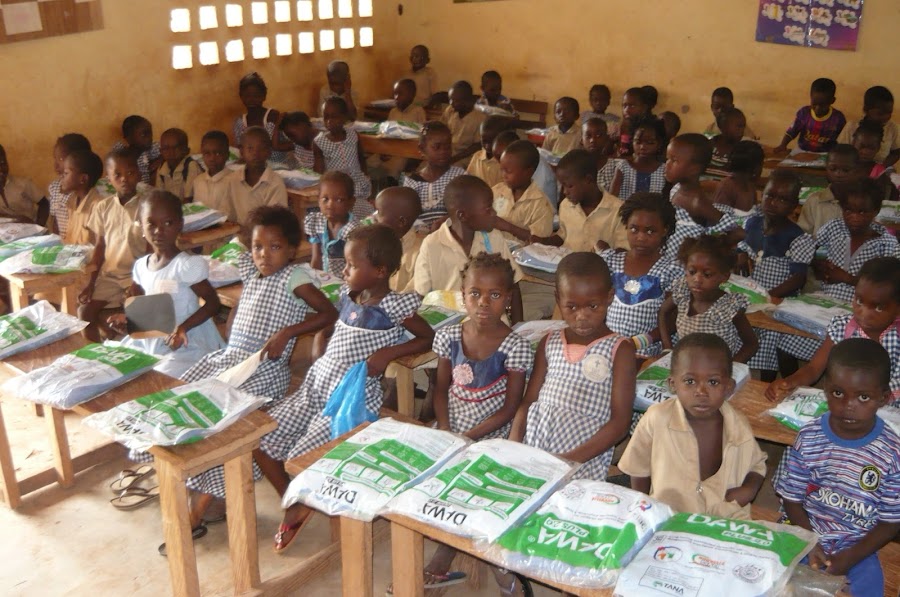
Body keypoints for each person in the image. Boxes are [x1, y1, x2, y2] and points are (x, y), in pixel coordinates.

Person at [166, 206, 338, 551]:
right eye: (258, 247)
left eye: (275, 247)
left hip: (263, 370)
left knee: (233, 427)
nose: (264, 255)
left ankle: (201, 512)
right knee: (187, 401)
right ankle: (202, 489)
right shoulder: (251, 270)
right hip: (232, 361)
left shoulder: (294, 278)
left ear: (291, 249)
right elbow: (242, 300)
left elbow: (328, 312)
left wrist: (287, 332)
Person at [258, 225, 434, 553]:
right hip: (316, 385)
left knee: (301, 458)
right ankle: (296, 499)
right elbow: (332, 327)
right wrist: (319, 342)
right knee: (261, 438)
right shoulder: (348, 295)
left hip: (348, 399)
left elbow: (427, 337)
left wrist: (387, 353)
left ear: (380, 271)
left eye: (352, 265)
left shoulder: (392, 306)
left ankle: (300, 502)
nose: (344, 271)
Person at [412, 252, 532, 592]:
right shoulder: (449, 336)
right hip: (451, 427)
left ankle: (461, 557)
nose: (483, 303)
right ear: (462, 294)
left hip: (493, 435)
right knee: (429, 481)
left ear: (508, 298)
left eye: (494, 295)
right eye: (475, 293)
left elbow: (510, 409)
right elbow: (440, 389)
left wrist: (468, 437)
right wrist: (447, 430)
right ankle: (449, 546)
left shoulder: (516, 347)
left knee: (475, 487)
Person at [774, 338, 900, 597]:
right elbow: (791, 499)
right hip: (803, 529)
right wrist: (810, 543)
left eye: (863, 397)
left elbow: (890, 522)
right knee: (766, 579)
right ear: (825, 389)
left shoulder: (891, 454)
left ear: (884, 398)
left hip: (858, 544)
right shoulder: (809, 437)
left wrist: (849, 557)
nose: (848, 405)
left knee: (868, 590)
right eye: (838, 393)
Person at [509, 252, 636, 481]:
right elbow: (528, 402)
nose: (582, 316)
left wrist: (568, 460)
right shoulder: (549, 342)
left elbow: (620, 424)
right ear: (558, 299)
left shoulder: (620, 349)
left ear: (609, 296)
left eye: (593, 306)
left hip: (581, 458)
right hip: (535, 448)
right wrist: (514, 444)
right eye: (571, 307)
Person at [619, 333, 766, 519]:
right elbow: (638, 469)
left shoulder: (737, 423)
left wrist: (749, 490)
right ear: (673, 384)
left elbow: (756, 464)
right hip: (671, 517)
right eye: (690, 381)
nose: (701, 392)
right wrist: (645, 511)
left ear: (729, 386)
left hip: (724, 518)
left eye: (713, 382)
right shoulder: (656, 419)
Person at [107, 191, 225, 377]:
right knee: (118, 369)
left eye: (168, 223)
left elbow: (213, 303)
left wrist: (183, 328)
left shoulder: (185, 266)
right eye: (151, 224)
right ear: (141, 227)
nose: (158, 231)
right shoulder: (141, 267)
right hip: (152, 339)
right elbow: (147, 311)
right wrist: (130, 324)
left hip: (187, 343)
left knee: (159, 376)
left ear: (180, 225)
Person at [767, 257, 900, 404]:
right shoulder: (842, 327)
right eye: (859, 301)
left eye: (878, 307)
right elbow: (814, 368)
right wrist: (789, 382)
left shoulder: (896, 338)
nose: (864, 312)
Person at [414, 175, 524, 323]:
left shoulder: (494, 238)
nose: (494, 213)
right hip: (451, 328)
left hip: (493, 325)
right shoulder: (432, 244)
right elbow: (421, 296)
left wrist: (517, 328)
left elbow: (514, 286)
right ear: (462, 215)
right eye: (488, 209)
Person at [738, 171, 815, 378]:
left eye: (783, 200)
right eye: (770, 195)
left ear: (794, 206)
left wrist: (767, 296)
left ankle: (774, 383)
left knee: (770, 349)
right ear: (761, 195)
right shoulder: (752, 223)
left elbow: (798, 279)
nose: (773, 203)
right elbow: (741, 248)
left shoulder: (797, 238)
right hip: (752, 294)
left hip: (778, 300)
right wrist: (740, 255)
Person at [79, 148, 149, 342]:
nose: (124, 179)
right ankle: (95, 352)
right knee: (84, 312)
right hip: (109, 277)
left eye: (130, 172)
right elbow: (99, 247)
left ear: (139, 174)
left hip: (135, 276)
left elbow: (151, 250)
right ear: (108, 179)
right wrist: (90, 284)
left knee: (137, 320)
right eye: (117, 175)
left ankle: (136, 350)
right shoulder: (103, 207)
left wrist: (138, 282)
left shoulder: (147, 207)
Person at [600, 193, 681, 357]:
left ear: (664, 230)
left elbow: (673, 319)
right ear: (626, 226)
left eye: (650, 231)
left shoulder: (671, 270)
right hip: (608, 346)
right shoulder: (610, 262)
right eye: (634, 229)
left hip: (647, 351)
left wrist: (638, 342)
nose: (641, 237)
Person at [659, 235, 758, 363]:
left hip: (716, 367)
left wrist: (730, 368)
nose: (697, 279)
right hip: (686, 364)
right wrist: (667, 348)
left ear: (724, 277)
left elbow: (751, 344)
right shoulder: (683, 293)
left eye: (707, 274)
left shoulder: (728, 306)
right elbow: (663, 312)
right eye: (692, 272)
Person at [813, 179, 900, 303]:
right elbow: (819, 249)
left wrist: (847, 278)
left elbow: (887, 286)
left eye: (862, 212)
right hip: (825, 301)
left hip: (861, 308)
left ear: (876, 211)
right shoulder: (833, 228)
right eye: (848, 210)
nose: (854, 217)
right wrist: (820, 264)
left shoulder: (887, 245)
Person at [532, 149, 628, 252]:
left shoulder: (619, 211)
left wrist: (607, 251)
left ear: (588, 180)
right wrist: (544, 241)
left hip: (599, 263)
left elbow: (623, 250)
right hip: (568, 261)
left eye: (569, 186)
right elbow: (563, 235)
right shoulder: (566, 205)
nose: (565, 192)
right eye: (563, 186)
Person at [663, 133, 739, 261]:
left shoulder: (697, 203)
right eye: (667, 158)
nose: (667, 165)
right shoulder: (676, 189)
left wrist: (710, 248)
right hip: (670, 259)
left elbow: (737, 232)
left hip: (687, 267)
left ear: (694, 169)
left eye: (674, 160)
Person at [314, 97, 373, 221]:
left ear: (344, 117)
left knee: (365, 210)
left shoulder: (353, 135)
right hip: (337, 186)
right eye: (326, 117)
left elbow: (361, 158)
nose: (329, 121)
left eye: (334, 116)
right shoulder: (319, 142)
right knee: (346, 209)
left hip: (357, 182)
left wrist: (366, 177)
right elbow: (319, 172)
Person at [402, 121, 466, 230]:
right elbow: (407, 214)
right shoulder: (412, 182)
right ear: (422, 149)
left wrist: (447, 220)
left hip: (453, 232)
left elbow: (469, 209)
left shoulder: (460, 177)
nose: (443, 151)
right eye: (436, 147)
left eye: (447, 147)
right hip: (421, 235)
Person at [491, 140, 554, 242]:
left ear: (528, 172)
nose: (503, 175)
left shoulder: (541, 205)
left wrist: (508, 227)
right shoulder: (496, 191)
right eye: (502, 170)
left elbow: (539, 241)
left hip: (522, 251)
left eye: (508, 171)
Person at [226, 126, 288, 227]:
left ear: (269, 152)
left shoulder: (275, 183)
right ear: (241, 152)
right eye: (250, 148)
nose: (256, 153)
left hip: (266, 234)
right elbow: (229, 217)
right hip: (239, 233)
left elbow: (276, 222)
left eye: (262, 148)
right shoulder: (232, 180)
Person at [367, 79, 427, 181]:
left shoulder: (418, 111)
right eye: (395, 94)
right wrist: (383, 151)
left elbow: (421, 137)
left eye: (400, 94)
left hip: (405, 153)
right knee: (369, 163)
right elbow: (386, 133)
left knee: (395, 167)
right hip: (389, 149)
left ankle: (391, 185)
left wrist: (412, 157)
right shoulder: (393, 112)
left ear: (412, 95)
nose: (396, 97)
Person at [306, 171, 360, 276]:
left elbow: (356, 269)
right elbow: (316, 259)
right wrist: (314, 280)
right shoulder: (316, 221)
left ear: (351, 202)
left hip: (347, 280)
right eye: (325, 199)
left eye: (339, 200)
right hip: (325, 280)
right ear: (318, 200)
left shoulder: (354, 232)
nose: (330, 205)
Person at [797, 144, 860, 235]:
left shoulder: (863, 203)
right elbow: (803, 234)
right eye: (833, 169)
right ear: (826, 168)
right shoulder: (814, 201)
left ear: (857, 171)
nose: (838, 174)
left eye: (846, 170)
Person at [774, 78, 846, 154]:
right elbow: (792, 131)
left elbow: (842, 140)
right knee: (788, 161)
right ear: (810, 97)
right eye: (814, 104)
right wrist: (783, 145)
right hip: (802, 151)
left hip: (825, 154)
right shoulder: (804, 113)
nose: (818, 108)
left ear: (832, 100)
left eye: (822, 105)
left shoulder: (838, 118)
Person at [371, 186, 423, 293]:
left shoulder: (421, 252)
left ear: (401, 222)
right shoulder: (375, 243)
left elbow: (413, 295)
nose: (373, 217)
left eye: (378, 212)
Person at [603, 118, 667, 200]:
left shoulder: (664, 170)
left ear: (659, 144)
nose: (642, 147)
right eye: (638, 142)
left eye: (650, 143)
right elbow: (611, 199)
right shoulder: (623, 167)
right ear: (631, 142)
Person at [232, 72, 289, 164]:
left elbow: (289, 142)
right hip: (253, 164)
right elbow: (240, 148)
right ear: (241, 96)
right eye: (247, 96)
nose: (251, 100)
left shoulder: (272, 116)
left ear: (264, 96)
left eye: (256, 96)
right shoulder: (239, 122)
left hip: (278, 164)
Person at [838, 85, 900, 167]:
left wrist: (881, 168)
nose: (886, 117)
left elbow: (896, 152)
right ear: (866, 110)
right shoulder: (852, 126)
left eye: (889, 112)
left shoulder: (893, 128)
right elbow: (841, 150)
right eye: (880, 114)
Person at [48, 133, 92, 236]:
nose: (56, 165)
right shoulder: (55, 187)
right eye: (55, 158)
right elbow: (55, 220)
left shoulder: (88, 191)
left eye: (61, 159)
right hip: (64, 241)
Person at [58, 149, 104, 245]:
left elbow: (99, 246)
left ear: (83, 179)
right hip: (71, 251)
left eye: (66, 173)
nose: (61, 177)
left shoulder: (98, 206)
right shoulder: (72, 200)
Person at [441, 80, 486, 167]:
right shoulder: (451, 110)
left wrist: (454, 159)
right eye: (450, 99)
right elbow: (441, 126)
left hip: (465, 157)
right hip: (447, 152)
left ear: (467, 101)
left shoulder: (479, 118)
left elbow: (477, 146)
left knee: (449, 169)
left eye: (455, 101)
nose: (451, 103)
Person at [711, 140, 765, 213]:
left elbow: (753, 213)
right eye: (761, 164)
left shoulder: (750, 186)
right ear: (755, 166)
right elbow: (719, 215)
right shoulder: (727, 186)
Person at [0, 144, 47, 223]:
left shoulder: (23, 184)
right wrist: (15, 218)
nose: (1, 169)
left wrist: (39, 226)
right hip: (7, 230)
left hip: (31, 227)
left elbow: (45, 204)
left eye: (3, 163)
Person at [192, 130, 234, 214]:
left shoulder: (234, 181)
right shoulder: (198, 181)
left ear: (227, 155)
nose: (212, 159)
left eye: (218, 153)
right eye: (207, 153)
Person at [111, 115, 161, 185]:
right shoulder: (121, 151)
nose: (149, 138)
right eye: (143, 135)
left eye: (150, 133)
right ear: (129, 138)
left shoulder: (151, 150)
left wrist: (159, 161)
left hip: (148, 189)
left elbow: (166, 152)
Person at [157, 128, 203, 203]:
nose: (170, 152)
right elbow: (160, 196)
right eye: (166, 148)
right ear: (161, 151)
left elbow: (189, 199)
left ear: (186, 150)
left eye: (175, 148)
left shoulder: (190, 166)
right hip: (173, 206)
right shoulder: (162, 168)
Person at [465, 115, 510, 188]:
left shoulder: (506, 161)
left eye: (493, 142)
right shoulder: (477, 156)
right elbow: (468, 178)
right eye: (484, 141)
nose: (488, 146)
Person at [706, 107, 747, 180]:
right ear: (723, 126)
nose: (741, 131)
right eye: (738, 126)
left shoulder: (741, 153)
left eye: (743, 127)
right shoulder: (707, 147)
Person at [617, 87, 651, 158]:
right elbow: (624, 151)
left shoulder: (648, 129)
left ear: (644, 108)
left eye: (632, 106)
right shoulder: (625, 124)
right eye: (624, 106)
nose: (627, 110)